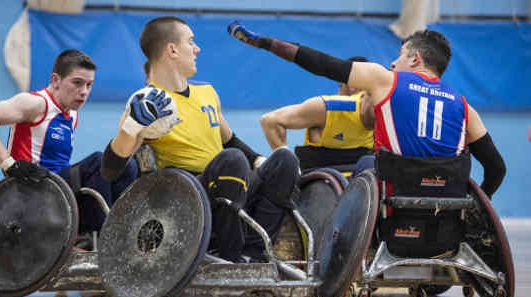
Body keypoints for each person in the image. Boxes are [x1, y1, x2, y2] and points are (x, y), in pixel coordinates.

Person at [100, 16, 300, 263]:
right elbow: (110, 170)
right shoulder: (146, 102)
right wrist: (131, 128)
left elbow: (229, 141)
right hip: (187, 196)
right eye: (191, 42)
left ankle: (255, 254)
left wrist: (260, 160)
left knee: (285, 159)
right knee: (232, 161)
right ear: (172, 49)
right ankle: (231, 257)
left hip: (231, 182)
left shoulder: (207, 92)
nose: (197, 49)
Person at [228, 22, 506, 199]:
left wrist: (267, 43)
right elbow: (496, 168)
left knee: (366, 165)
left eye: (400, 55)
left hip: (395, 191)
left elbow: (323, 63)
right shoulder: (466, 108)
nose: (394, 63)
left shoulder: (387, 80)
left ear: (416, 58)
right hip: (448, 196)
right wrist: (480, 200)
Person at [0, 49, 138, 245]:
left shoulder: (72, 115)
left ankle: (117, 231)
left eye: (89, 85)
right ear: (56, 80)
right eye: (77, 83)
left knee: (127, 165)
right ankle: (107, 238)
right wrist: (9, 164)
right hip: (32, 191)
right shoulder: (35, 103)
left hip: (60, 193)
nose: (84, 91)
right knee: (100, 161)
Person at [259, 56, 375, 175]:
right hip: (322, 183)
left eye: (340, 85)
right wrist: (290, 169)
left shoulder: (382, 110)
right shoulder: (327, 108)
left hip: (361, 183)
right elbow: (269, 121)